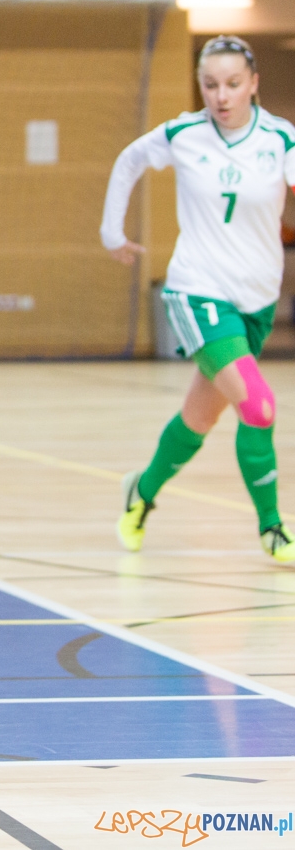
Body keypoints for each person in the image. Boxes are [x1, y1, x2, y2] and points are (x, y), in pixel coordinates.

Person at [102, 35, 295, 563]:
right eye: (210, 85)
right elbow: (128, 161)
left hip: (254, 303)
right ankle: (273, 529)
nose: (220, 95)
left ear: (254, 84)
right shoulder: (184, 133)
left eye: (232, 84)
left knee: (199, 421)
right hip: (198, 291)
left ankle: (140, 492)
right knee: (258, 407)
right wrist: (111, 233)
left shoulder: (281, 140)